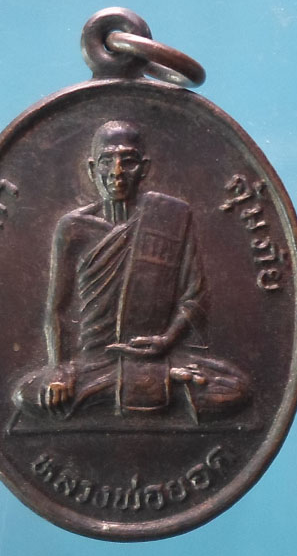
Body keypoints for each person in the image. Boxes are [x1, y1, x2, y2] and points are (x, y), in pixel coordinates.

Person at [13, 121, 250, 420]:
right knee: (25, 394)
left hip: (157, 356)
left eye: (128, 161)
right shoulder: (73, 227)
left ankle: (136, 383)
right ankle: (163, 383)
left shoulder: (173, 216)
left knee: (236, 387)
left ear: (144, 168)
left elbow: (194, 297)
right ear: (91, 169)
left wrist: (166, 340)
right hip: (94, 362)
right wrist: (59, 369)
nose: (117, 172)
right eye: (106, 161)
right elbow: (57, 308)